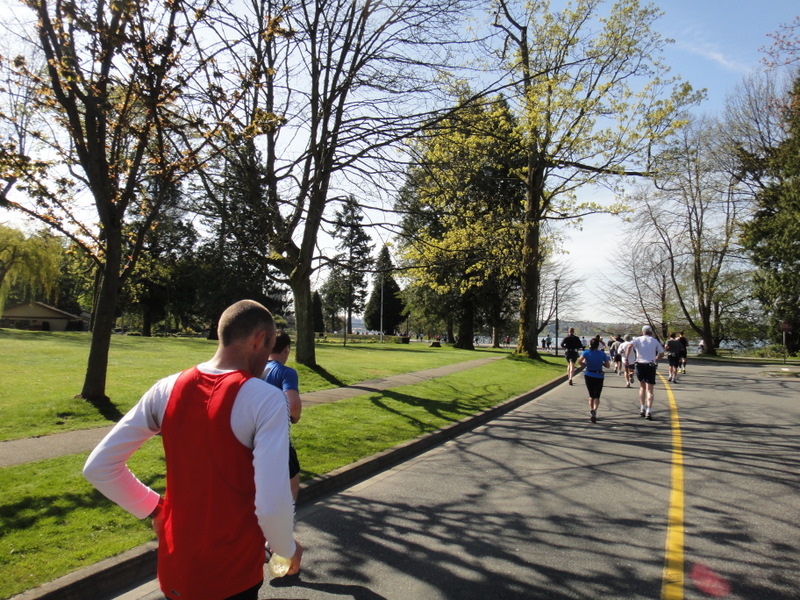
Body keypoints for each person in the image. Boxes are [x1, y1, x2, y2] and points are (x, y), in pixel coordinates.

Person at [84, 300, 303, 600]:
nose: (267, 358)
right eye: (270, 347)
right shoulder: (266, 400)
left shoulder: (165, 388)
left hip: (177, 569)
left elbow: (99, 467)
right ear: (259, 340)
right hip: (233, 573)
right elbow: (271, 502)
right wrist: (285, 549)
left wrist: (156, 509)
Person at [263, 331, 303, 501]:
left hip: (253, 437)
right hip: (277, 438)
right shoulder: (286, 372)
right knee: (292, 482)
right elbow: (293, 405)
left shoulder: (255, 368)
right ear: (286, 349)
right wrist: (294, 416)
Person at [626, 325, 665, 420]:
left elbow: (629, 345)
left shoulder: (638, 340)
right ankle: (649, 410)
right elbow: (662, 353)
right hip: (650, 365)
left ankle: (642, 407)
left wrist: (627, 358)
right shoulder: (654, 341)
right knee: (650, 389)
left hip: (640, 364)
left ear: (642, 332)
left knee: (642, 387)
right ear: (650, 332)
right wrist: (656, 358)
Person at [578, 337, 610, 423]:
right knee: (597, 395)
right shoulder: (602, 354)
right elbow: (608, 365)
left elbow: (579, 361)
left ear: (590, 344)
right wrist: (602, 363)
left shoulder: (586, 352)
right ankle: (595, 410)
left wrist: (584, 364)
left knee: (591, 394)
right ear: (598, 345)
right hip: (598, 375)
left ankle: (591, 409)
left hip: (588, 374)